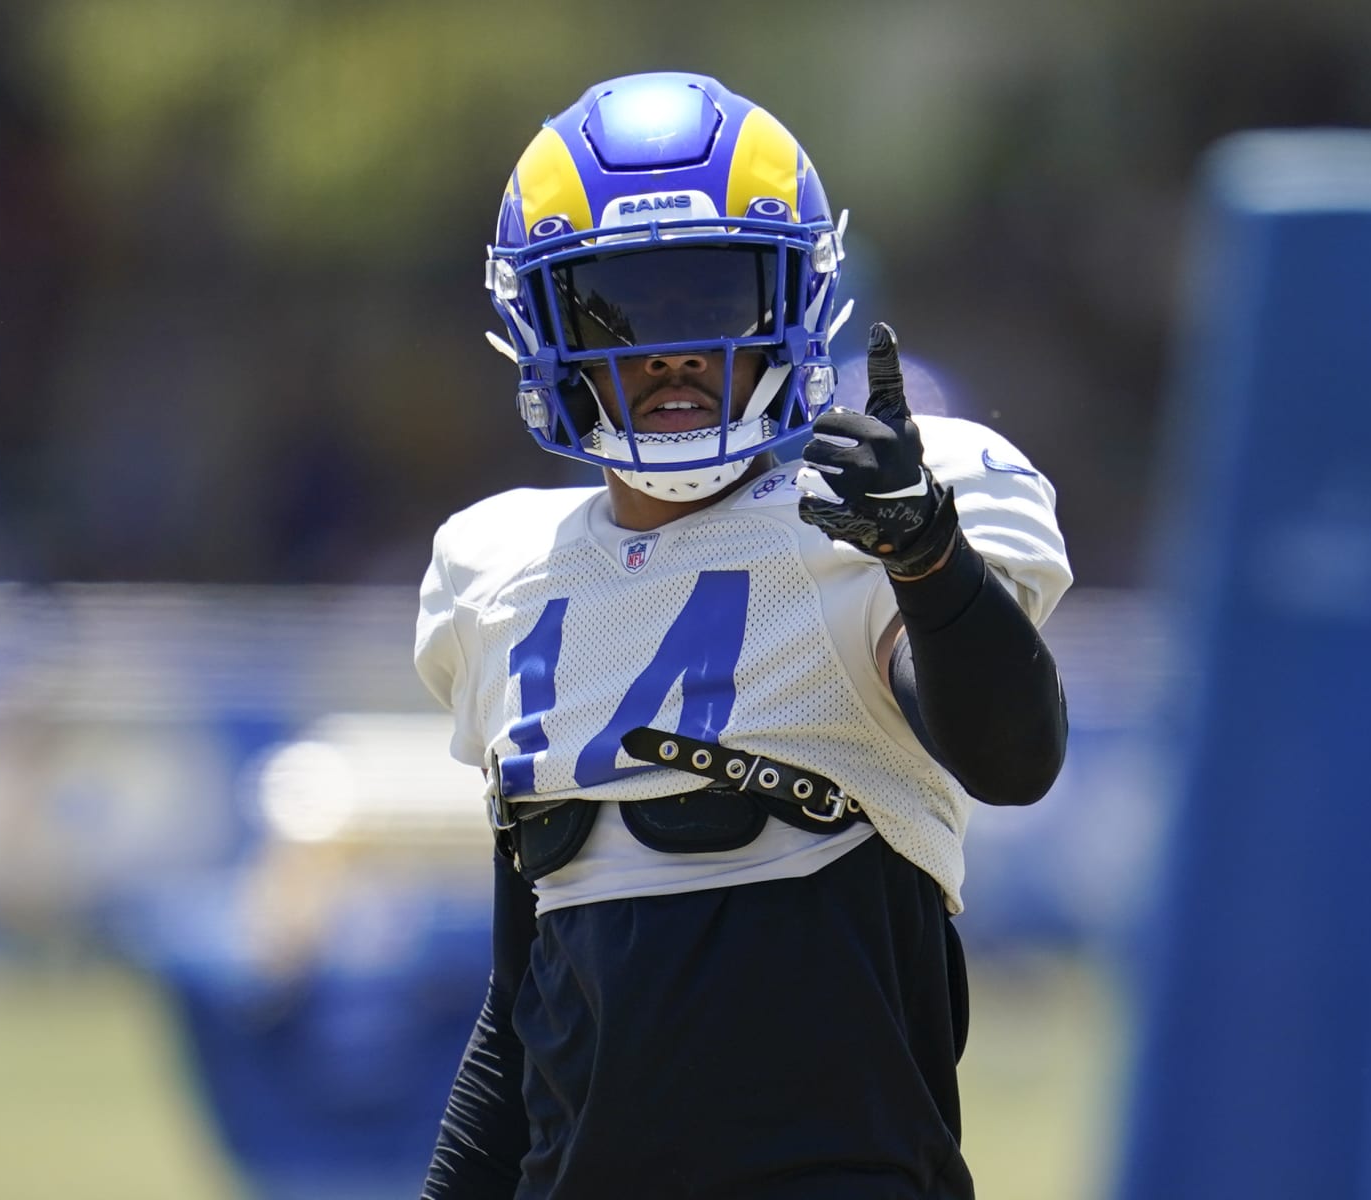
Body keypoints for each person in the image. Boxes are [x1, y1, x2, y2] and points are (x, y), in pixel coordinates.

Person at [415, 71, 1071, 1199]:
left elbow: (1014, 759)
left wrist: (930, 562)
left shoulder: (876, 521)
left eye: (706, 300)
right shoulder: (497, 574)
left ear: (794, 301)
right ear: (536, 323)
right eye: (610, 308)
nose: (664, 352)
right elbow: (524, 999)